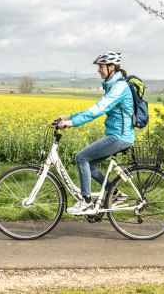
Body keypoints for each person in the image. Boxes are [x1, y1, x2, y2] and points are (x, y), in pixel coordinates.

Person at [57, 51, 135, 215]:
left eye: (101, 66)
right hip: (117, 135)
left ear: (111, 67)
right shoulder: (114, 85)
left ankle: (86, 201)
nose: (98, 70)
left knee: (82, 157)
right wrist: (68, 117)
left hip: (119, 137)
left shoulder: (119, 87)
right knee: (89, 163)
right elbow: (94, 107)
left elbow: (98, 110)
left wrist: (70, 124)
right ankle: (115, 193)